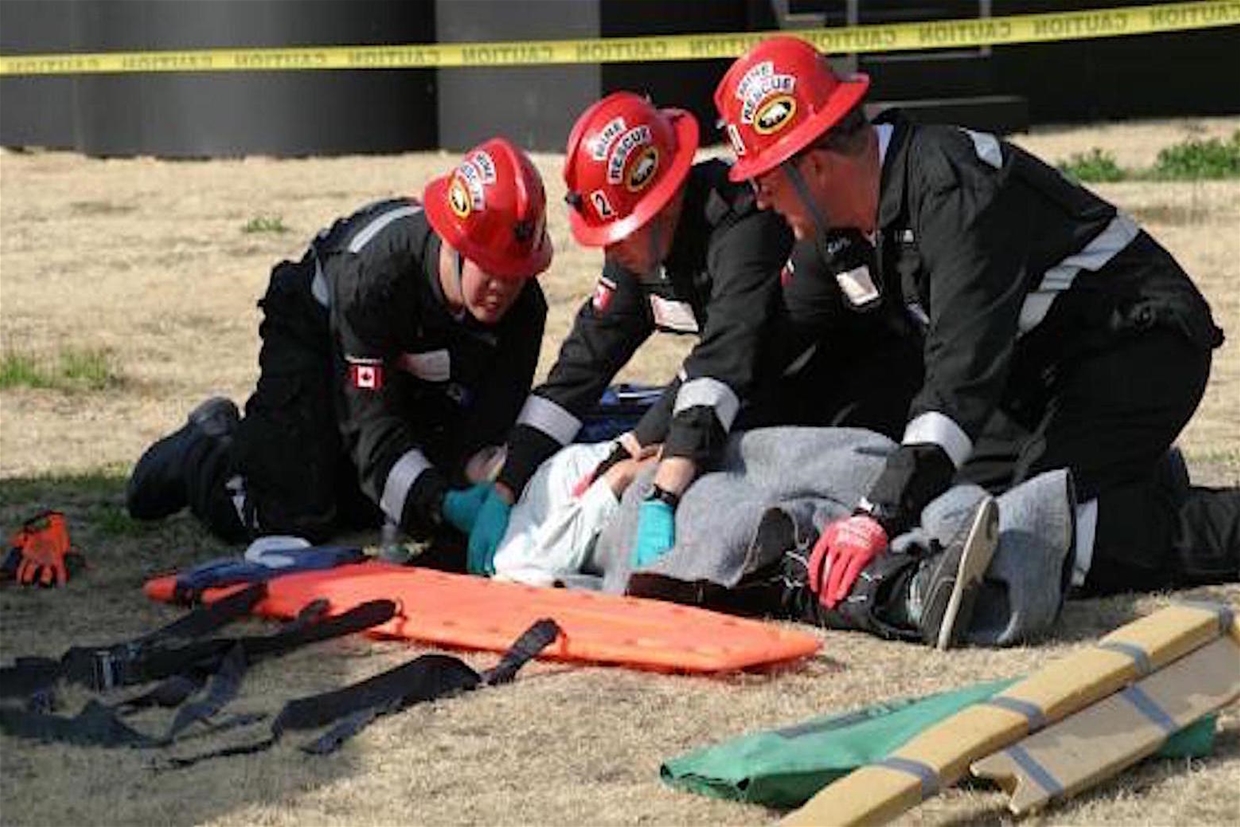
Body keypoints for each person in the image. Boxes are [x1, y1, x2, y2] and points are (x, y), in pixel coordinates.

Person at [714, 35, 1238, 610]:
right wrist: (659, 443)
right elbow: (758, 342)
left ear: (814, 166)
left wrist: (875, 516)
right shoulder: (832, 227)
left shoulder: (950, 187)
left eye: (763, 180)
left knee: (1044, 532)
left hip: (1136, 343)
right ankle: (1138, 478)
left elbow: (962, 372)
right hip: (1041, 372)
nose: (759, 200)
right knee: (958, 513)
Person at [126, 138, 553, 551]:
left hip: (403, 366)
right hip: (316, 331)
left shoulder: (526, 310)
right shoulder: (373, 278)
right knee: (291, 515)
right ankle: (207, 447)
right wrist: (439, 504)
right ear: (454, 246)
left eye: (515, 273)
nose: (502, 288)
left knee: (383, 499)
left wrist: (483, 481)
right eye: (489, 269)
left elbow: (486, 436)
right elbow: (372, 429)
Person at [462, 91, 796, 576]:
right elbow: (581, 367)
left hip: (813, 393)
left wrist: (663, 488)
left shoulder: (742, 225)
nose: (611, 252)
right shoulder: (636, 253)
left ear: (662, 207)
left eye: (618, 234)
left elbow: (726, 356)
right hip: (737, 389)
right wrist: (507, 484)